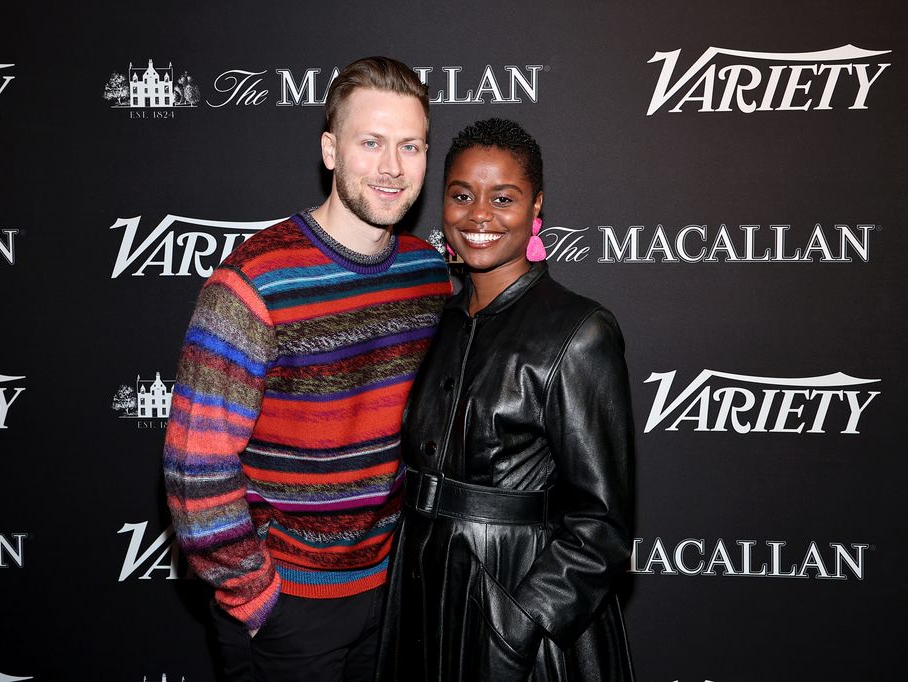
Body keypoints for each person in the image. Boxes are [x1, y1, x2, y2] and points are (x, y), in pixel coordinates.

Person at [163, 56, 451, 682]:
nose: (392, 167)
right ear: (330, 150)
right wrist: (259, 597)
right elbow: (195, 463)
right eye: (370, 142)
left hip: (394, 593)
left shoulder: (429, 276)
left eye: (411, 145)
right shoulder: (253, 283)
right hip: (289, 607)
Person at [378, 118, 636, 682]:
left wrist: (516, 627)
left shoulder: (578, 330)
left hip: (517, 607)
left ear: (536, 206)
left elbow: (603, 525)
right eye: (461, 195)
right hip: (421, 598)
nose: (479, 216)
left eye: (503, 198)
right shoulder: (438, 320)